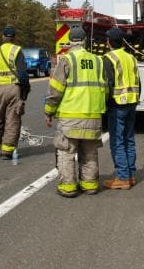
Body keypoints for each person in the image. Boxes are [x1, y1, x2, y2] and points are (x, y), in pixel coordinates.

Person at [44, 26, 107, 197]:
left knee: (66, 151)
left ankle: (69, 186)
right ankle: (90, 184)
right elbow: (105, 88)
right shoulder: (98, 61)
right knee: (90, 152)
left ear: (70, 42)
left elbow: (55, 90)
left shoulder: (67, 60)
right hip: (93, 116)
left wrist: (49, 112)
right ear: (85, 41)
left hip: (70, 116)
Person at [102, 27, 140, 190]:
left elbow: (107, 85)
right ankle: (130, 175)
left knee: (117, 141)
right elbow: (138, 81)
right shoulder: (131, 57)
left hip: (117, 104)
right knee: (129, 139)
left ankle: (123, 178)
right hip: (132, 102)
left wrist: (103, 105)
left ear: (109, 41)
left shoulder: (108, 58)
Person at [0, 26, 30, 159]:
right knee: (12, 120)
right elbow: (22, 74)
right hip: (13, 88)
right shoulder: (17, 50)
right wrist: (24, 91)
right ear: (14, 37)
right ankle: (8, 150)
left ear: (2, 37)